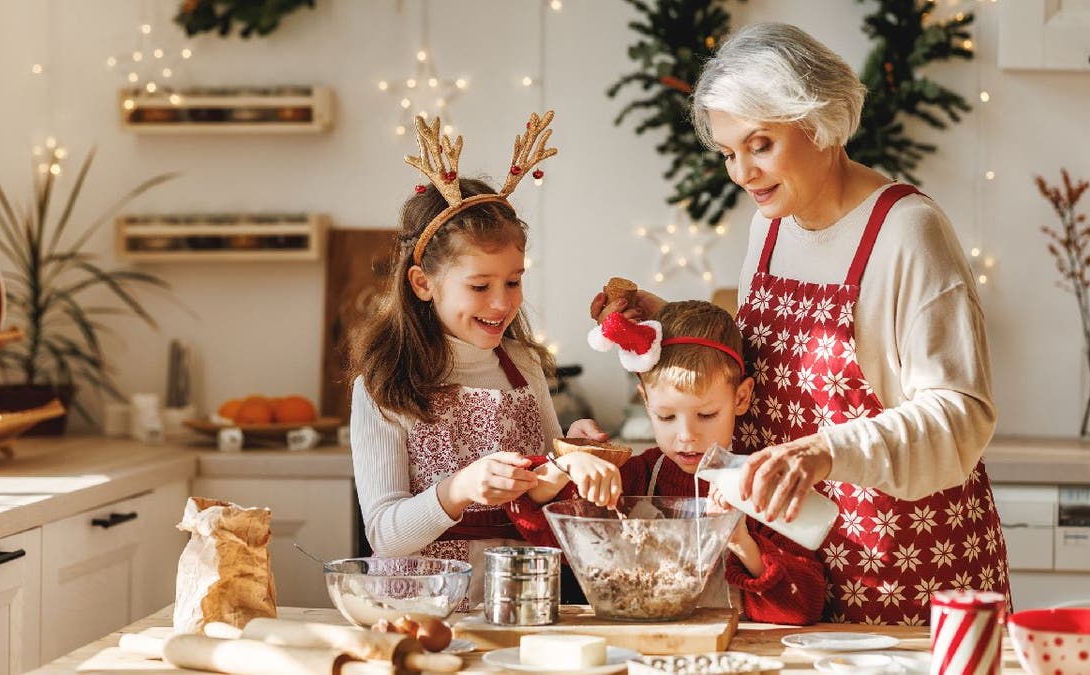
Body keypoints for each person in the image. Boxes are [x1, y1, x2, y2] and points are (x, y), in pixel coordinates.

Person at [591, 23, 1009, 625]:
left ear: (819, 123)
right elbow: (774, 364)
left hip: (901, 563)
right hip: (785, 568)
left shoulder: (907, 231)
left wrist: (823, 452)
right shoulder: (772, 224)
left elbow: (960, 413)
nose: (742, 173)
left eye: (760, 145)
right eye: (730, 152)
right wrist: (672, 321)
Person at [349, 111, 611, 606]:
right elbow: (384, 533)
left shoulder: (523, 364)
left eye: (513, 281)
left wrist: (571, 455)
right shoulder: (385, 385)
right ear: (423, 283)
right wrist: (462, 487)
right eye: (479, 286)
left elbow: (543, 492)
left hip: (521, 605)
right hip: (422, 613)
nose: (501, 303)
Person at [514, 301, 827, 625]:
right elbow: (535, 523)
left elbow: (802, 606)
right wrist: (571, 462)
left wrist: (741, 542)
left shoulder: (762, 488)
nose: (686, 435)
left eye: (706, 415)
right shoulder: (637, 479)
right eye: (666, 416)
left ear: (741, 398)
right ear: (645, 401)